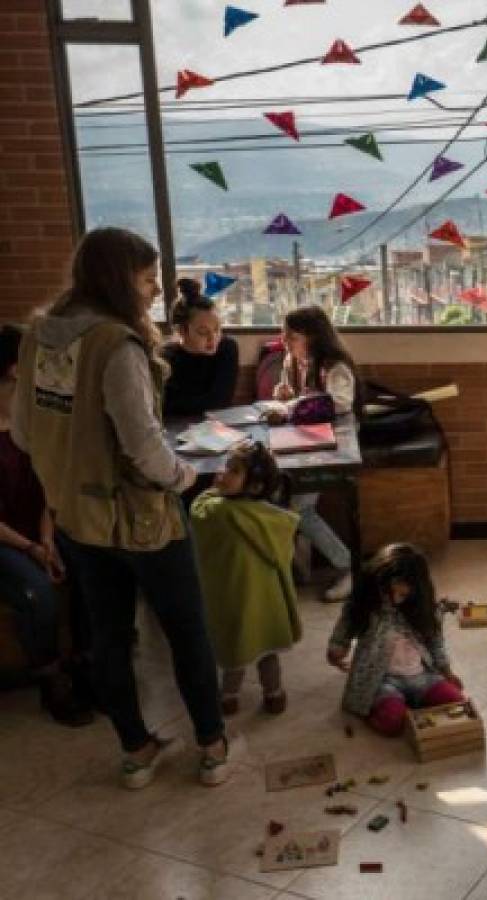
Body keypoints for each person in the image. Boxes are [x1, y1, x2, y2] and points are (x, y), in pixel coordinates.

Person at [11, 227, 233, 789]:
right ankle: (211, 744)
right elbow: (143, 446)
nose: (155, 291)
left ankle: (136, 751)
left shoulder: (39, 337)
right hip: (142, 517)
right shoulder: (116, 345)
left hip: (77, 518)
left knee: (107, 635)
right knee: (187, 631)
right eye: (146, 279)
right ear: (117, 279)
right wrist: (188, 475)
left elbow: (22, 430)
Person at [0, 326, 91, 726]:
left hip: (39, 526)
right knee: (37, 592)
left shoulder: (35, 419)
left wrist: (48, 536)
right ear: (15, 370)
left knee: (90, 561)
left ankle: (89, 663)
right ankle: (50, 679)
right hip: (5, 537)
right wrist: (33, 548)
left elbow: (49, 485)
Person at [190, 442, 301, 717]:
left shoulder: (219, 512)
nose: (221, 473)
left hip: (237, 600)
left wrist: (216, 490)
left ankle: (228, 699)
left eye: (233, 470)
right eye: (225, 466)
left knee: (235, 655)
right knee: (268, 652)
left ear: (253, 486)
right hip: (267, 601)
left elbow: (196, 508)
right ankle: (274, 696)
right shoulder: (274, 517)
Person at [326, 543, 465, 736]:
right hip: (381, 680)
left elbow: (435, 640)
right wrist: (336, 649)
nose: (395, 600)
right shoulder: (365, 606)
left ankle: (408, 702)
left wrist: (446, 670)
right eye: (389, 592)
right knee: (392, 721)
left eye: (403, 595)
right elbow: (345, 626)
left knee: (456, 700)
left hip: (422, 676)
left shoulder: (423, 609)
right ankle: (391, 706)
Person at [274, 306, 357, 602]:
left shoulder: (335, 367)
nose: (285, 341)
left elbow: (341, 403)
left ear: (313, 337)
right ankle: (302, 564)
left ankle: (349, 566)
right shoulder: (295, 362)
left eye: (292, 336)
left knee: (300, 508)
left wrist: (297, 405)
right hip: (305, 443)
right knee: (289, 501)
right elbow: (299, 400)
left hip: (332, 447)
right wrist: (287, 396)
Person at [161, 277, 239, 417]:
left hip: (217, 427)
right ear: (181, 331)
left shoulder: (227, 348)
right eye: (203, 332)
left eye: (217, 329)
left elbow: (220, 402)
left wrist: (183, 404)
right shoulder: (164, 355)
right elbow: (163, 406)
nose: (212, 338)